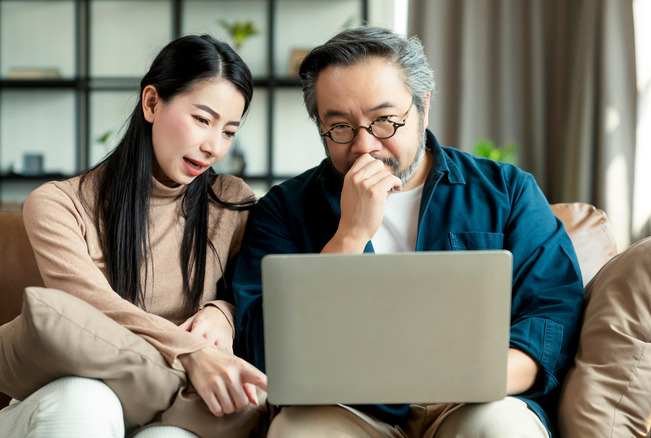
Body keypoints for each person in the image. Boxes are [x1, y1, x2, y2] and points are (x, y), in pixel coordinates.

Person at [232, 26, 584, 438]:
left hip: (473, 403)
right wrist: (348, 235)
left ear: (423, 108)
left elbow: (552, 316)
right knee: (296, 432)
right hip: (347, 410)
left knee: (503, 427)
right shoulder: (282, 210)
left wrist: (468, 380)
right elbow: (259, 346)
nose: (365, 147)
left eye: (384, 121)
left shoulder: (506, 192)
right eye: (341, 127)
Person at [0, 34, 267, 437]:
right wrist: (192, 352)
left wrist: (223, 312)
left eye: (229, 131)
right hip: (73, 391)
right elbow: (91, 307)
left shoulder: (230, 202)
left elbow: (254, 292)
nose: (214, 146)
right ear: (151, 103)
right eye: (201, 119)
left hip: (173, 407)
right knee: (85, 401)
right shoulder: (59, 204)